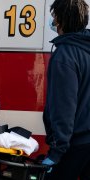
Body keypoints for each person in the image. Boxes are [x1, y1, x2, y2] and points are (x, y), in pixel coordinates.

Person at [42, 0, 90, 179]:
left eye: (54, 16)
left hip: (74, 146)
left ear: (61, 20)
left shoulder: (64, 56)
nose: (53, 20)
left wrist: (56, 153)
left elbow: (64, 109)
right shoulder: (87, 48)